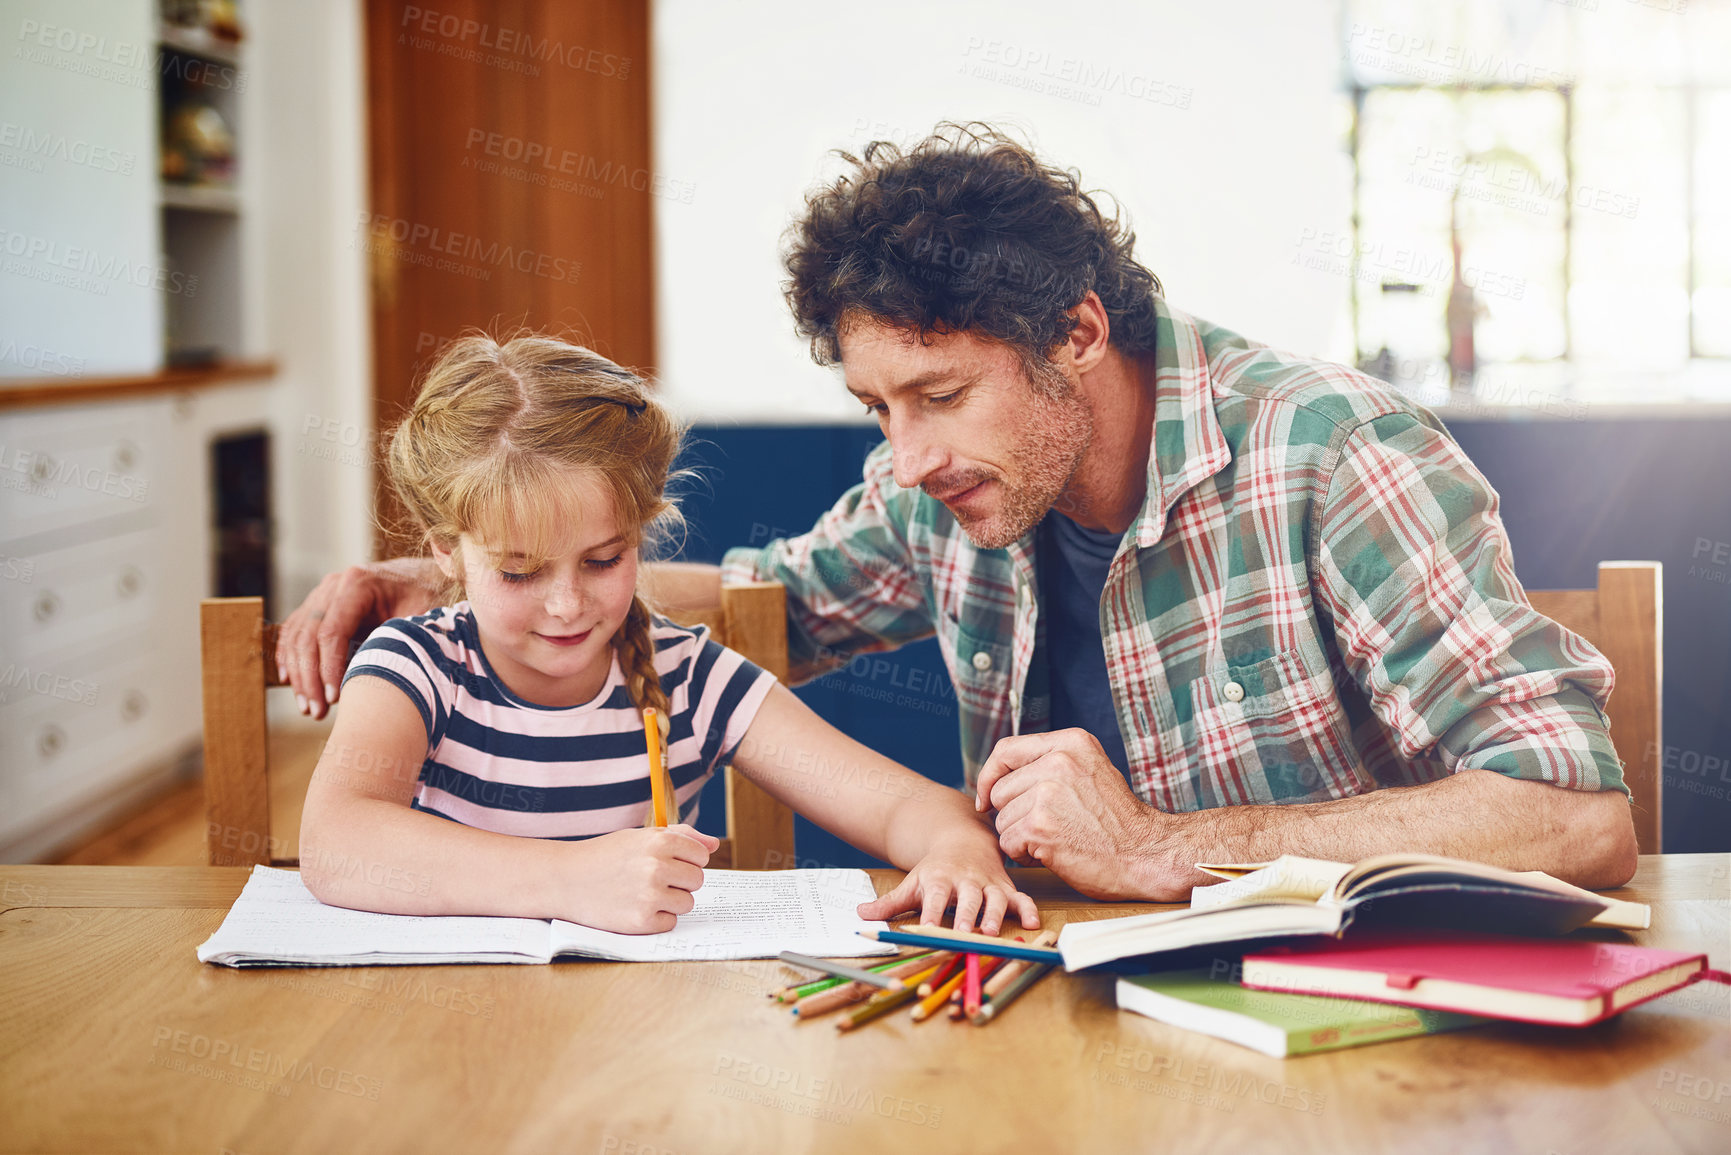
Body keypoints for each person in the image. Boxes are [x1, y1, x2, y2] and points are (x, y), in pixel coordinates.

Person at [282, 124, 1638, 903]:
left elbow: (1571, 813)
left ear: (1077, 333)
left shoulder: (1331, 456)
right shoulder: (942, 488)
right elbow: (769, 602)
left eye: (935, 392)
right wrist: (451, 577)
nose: (906, 453)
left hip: (1320, 1030)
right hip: (1038, 994)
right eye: (878, 408)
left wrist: (1167, 847)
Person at [297, 332, 1038, 937]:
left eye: (602, 560)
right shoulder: (417, 665)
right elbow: (336, 839)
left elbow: (905, 805)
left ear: (643, 535)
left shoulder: (689, 676)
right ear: (444, 552)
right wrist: (567, 878)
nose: (565, 606)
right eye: (518, 573)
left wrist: (955, 849)